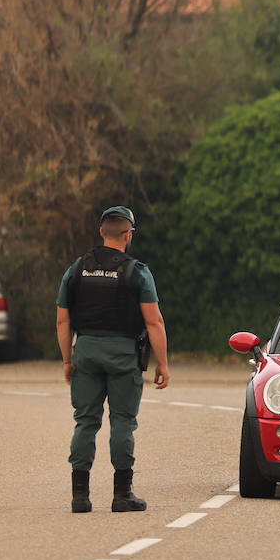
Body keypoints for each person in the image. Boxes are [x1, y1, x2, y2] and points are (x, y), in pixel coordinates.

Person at [56, 205, 170, 514]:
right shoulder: (137, 271)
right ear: (128, 234)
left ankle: (80, 496)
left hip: (87, 351)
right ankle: (123, 495)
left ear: (101, 232)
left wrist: (68, 360)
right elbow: (154, 321)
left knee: (85, 422)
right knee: (122, 422)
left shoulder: (77, 269)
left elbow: (63, 321)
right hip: (122, 354)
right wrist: (163, 363)